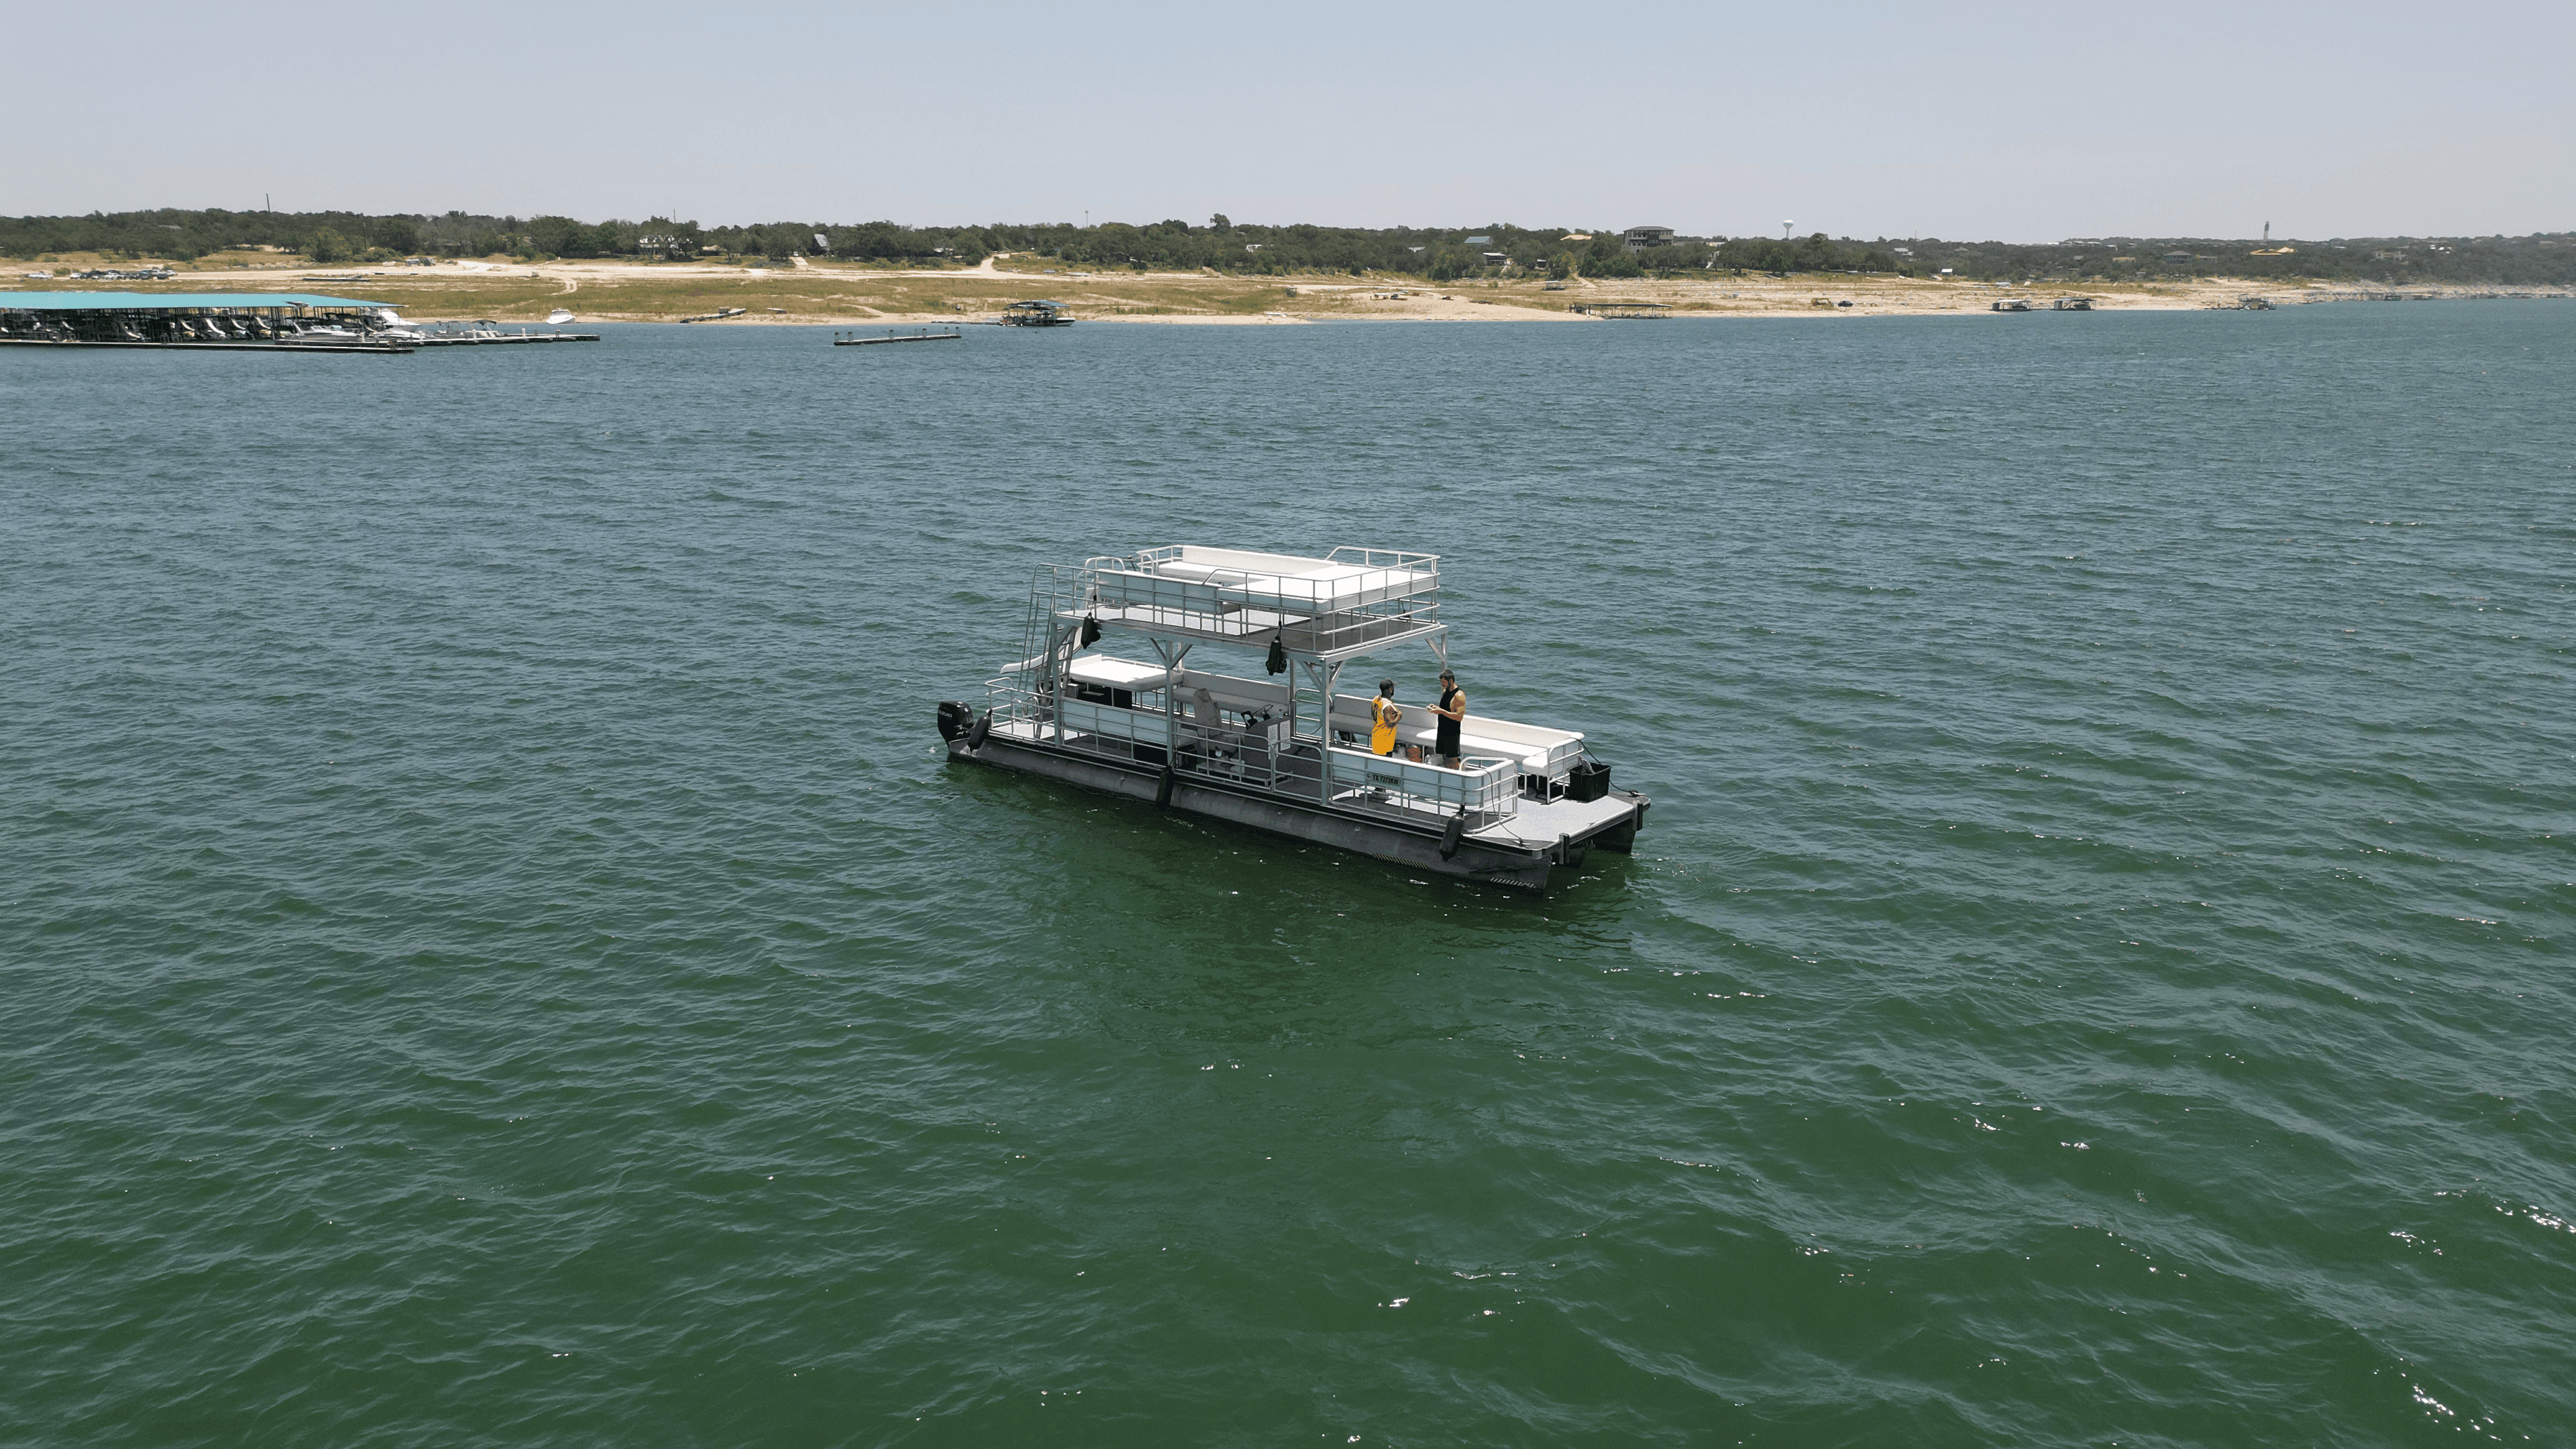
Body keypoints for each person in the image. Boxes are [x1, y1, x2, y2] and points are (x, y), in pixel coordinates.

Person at [1431, 667, 1465, 769]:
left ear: (1450, 681)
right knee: (1444, 757)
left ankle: (1460, 771)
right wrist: (1436, 708)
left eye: (1444, 683)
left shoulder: (1459, 695)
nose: (1442, 685)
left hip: (1451, 733)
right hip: (1442, 730)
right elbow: (1445, 708)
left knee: (1452, 760)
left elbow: (1459, 717)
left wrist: (1441, 712)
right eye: (1441, 683)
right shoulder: (1446, 690)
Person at [1370, 679, 1403, 757]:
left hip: (1376, 737)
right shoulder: (1387, 705)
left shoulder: (1376, 700)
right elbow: (1390, 724)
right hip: (1384, 743)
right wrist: (1399, 716)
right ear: (1390, 689)